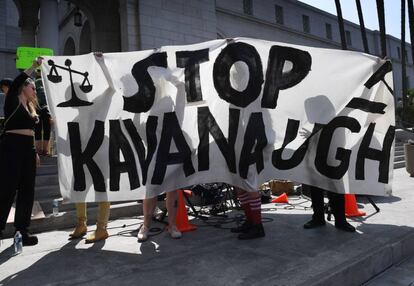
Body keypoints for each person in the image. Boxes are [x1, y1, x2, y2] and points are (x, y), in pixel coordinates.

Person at [0, 58, 42, 246]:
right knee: (7, 189)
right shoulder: (12, 100)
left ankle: (22, 230)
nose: (35, 91)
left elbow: (31, 132)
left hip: (28, 147)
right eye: (32, 87)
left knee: (27, 190)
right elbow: (17, 81)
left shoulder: (31, 108)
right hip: (12, 146)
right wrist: (34, 66)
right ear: (24, 88)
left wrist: (34, 152)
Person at [34, 78, 52, 155]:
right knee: (46, 130)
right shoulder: (47, 81)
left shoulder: (36, 82)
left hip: (37, 107)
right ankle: (45, 150)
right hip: (46, 108)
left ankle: (39, 150)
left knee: (38, 129)